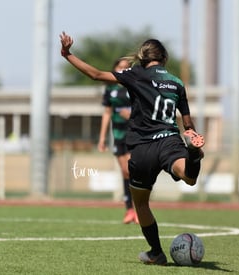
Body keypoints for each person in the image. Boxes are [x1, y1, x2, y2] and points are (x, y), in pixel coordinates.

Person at [59, 31, 205, 266]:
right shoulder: (177, 83)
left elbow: (95, 74)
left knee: (141, 203)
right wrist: (192, 136)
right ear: (164, 58)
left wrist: (67, 54)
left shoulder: (135, 74)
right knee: (188, 177)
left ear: (142, 57)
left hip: (142, 147)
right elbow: (187, 125)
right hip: (170, 140)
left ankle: (156, 252)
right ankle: (193, 157)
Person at [98, 57, 138, 224]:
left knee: (130, 170)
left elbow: (145, 109)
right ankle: (129, 209)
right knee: (125, 172)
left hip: (133, 135)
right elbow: (107, 113)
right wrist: (102, 138)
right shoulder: (110, 90)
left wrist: (132, 116)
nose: (122, 70)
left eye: (126, 67)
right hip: (118, 135)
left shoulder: (135, 87)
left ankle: (138, 208)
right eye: (120, 67)